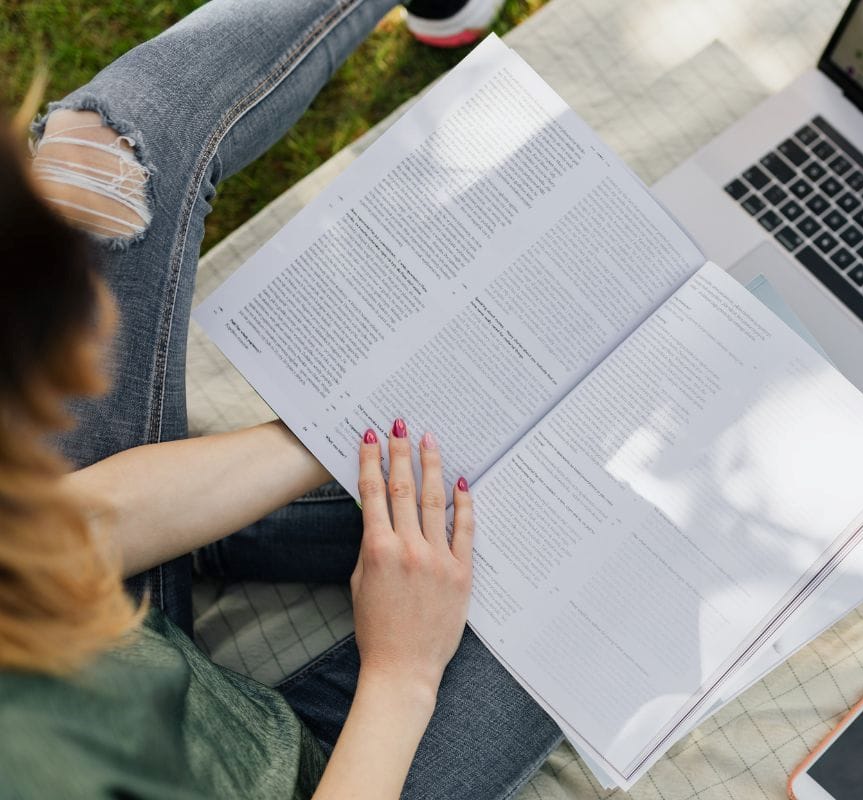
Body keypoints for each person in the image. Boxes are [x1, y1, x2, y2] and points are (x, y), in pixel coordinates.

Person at [0, 1, 561, 797]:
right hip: (329, 775)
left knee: (98, 165)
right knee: (576, 548)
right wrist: (402, 675)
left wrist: (326, 426)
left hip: (115, 641)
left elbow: (47, 540)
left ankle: (213, 544)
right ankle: (233, 544)